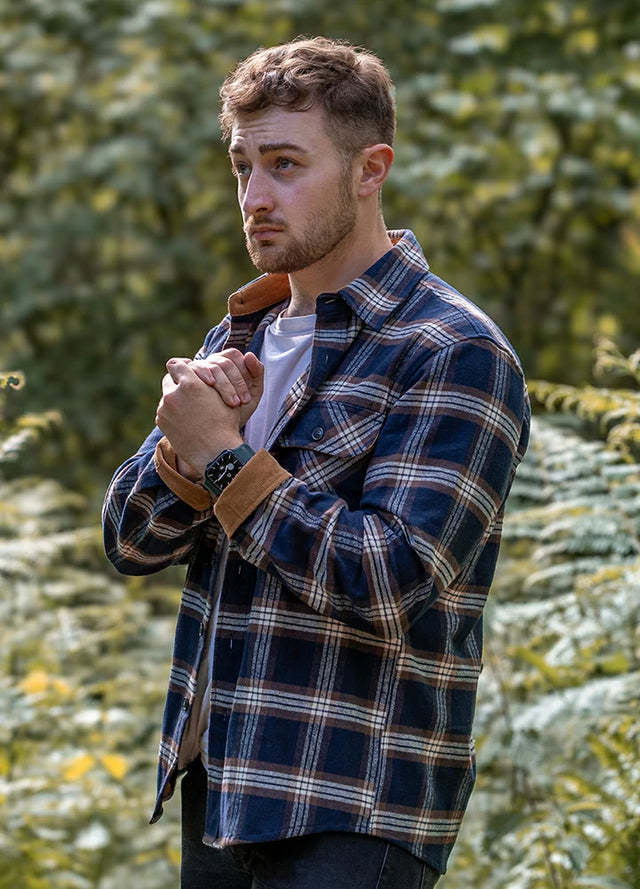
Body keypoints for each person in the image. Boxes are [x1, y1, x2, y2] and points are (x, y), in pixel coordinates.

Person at [102, 36, 530, 889]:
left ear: (371, 169)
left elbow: (390, 578)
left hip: (356, 800)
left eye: (286, 164)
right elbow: (129, 542)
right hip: (221, 783)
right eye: (243, 166)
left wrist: (224, 458)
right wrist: (187, 459)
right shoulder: (240, 337)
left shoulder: (452, 349)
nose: (255, 197)